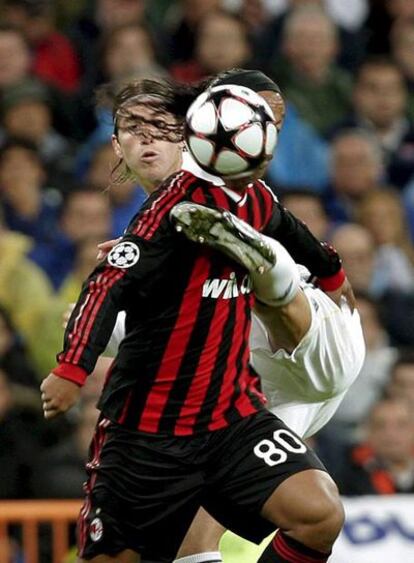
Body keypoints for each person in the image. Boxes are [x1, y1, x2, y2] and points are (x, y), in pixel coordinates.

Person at [41, 73, 349, 563]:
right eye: (132, 128)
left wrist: (331, 273)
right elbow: (107, 286)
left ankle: (261, 264)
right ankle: (251, 259)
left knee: (263, 267)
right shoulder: (161, 215)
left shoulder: (212, 192)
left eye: (160, 126)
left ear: (192, 133)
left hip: (278, 365)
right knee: (309, 517)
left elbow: (291, 228)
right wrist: (76, 361)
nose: (146, 137)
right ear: (115, 146)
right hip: (158, 432)